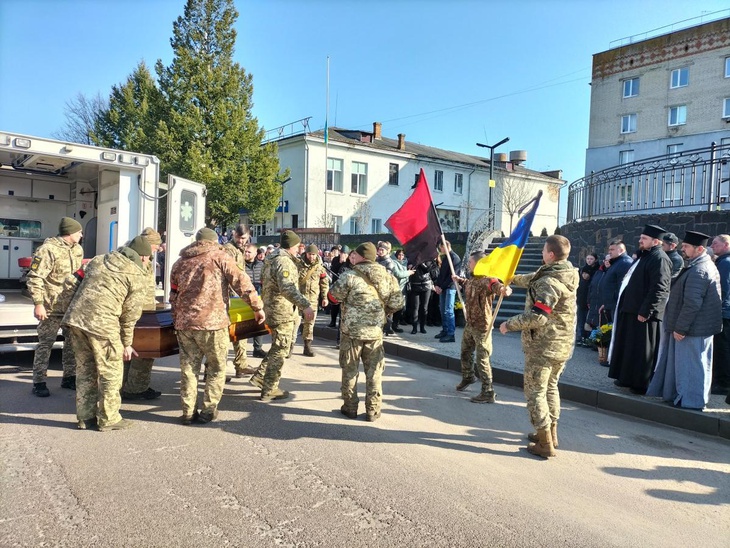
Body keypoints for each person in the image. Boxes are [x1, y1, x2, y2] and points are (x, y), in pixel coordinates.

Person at [170, 228, 264, 424]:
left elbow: (174, 294)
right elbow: (241, 282)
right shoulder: (220, 257)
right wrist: (257, 306)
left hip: (185, 325)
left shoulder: (180, 262)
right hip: (213, 324)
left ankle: (188, 412)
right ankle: (208, 410)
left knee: (189, 370)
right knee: (216, 367)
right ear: (214, 241)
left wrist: (176, 318)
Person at [499, 235, 578, 458]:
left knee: (535, 392)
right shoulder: (565, 272)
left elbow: (538, 316)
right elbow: (532, 279)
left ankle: (545, 443)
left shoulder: (549, 282)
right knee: (551, 387)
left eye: (544, 250)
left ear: (551, 254)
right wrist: (510, 278)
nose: (542, 252)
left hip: (544, 346)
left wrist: (508, 324)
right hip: (562, 345)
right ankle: (551, 433)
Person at [62, 236, 150, 431]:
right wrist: (127, 343)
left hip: (76, 320)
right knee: (111, 372)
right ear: (143, 257)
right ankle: (109, 419)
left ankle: (85, 418)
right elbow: (130, 315)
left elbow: (70, 282)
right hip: (103, 324)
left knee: (85, 371)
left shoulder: (99, 259)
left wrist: (71, 308)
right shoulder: (136, 274)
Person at [329, 242, 404, 421]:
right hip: (375, 333)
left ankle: (350, 408)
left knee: (350, 371)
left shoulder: (349, 276)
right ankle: (373, 410)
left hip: (351, 333)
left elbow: (332, 297)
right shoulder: (388, 277)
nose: (353, 257)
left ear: (362, 257)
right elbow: (398, 303)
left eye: (355, 254)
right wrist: (381, 312)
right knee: (374, 373)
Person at [647, 231, 722, 409]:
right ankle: (684, 398)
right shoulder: (700, 265)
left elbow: (692, 304)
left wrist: (680, 328)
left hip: (693, 328)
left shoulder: (700, 270)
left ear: (700, 249)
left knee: (692, 366)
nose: (683, 248)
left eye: (687, 246)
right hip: (694, 327)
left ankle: (691, 402)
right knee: (691, 365)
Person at [249, 230, 314, 401]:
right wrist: (305, 305)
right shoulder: (284, 261)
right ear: (292, 246)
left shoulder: (272, 258)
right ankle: (270, 388)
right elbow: (287, 288)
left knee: (278, 346)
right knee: (281, 349)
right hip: (281, 311)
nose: (299, 250)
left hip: (272, 307)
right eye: (298, 246)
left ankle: (260, 377)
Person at [608, 225, 672, 395]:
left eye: (644, 238)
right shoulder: (645, 256)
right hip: (631, 310)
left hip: (644, 314)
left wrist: (646, 311)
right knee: (630, 347)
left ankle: (640, 383)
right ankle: (626, 377)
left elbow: (659, 288)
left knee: (642, 350)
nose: (640, 240)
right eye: (641, 237)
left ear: (656, 241)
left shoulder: (660, 259)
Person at [27, 216, 84, 397]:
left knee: (71, 344)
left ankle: (69, 377)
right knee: (45, 344)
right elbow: (34, 277)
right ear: (70, 233)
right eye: (79, 232)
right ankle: (39, 382)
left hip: (71, 307)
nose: (81, 235)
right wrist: (38, 304)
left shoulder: (77, 249)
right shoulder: (46, 250)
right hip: (50, 308)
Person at [452, 251, 511, 403]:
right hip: (470, 323)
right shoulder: (473, 279)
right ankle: (468, 377)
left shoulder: (487, 280)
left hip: (482, 327)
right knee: (465, 352)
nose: (468, 264)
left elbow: (497, 286)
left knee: (482, 359)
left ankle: (488, 392)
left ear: (478, 264)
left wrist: (504, 290)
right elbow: (468, 284)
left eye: (470, 262)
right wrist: (459, 280)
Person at [121, 227, 164, 400]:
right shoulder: (134, 258)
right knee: (143, 353)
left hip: (144, 311)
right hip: (135, 312)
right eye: (155, 246)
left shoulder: (144, 257)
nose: (158, 249)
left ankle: (131, 385)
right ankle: (134, 388)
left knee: (135, 352)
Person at [222, 224, 254, 378]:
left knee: (241, 331)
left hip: (238, 296)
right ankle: (212, 370)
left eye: (244, 238)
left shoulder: (239, 250)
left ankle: (241, 365)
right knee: (223, 336)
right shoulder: (228, 250)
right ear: (234, 234)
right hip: (228, 297)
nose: (241, 241)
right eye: (238, 237)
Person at [291, 244, 329, 357]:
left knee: (309, 324)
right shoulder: (297, 264)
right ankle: (290, 346)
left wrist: (325, 297)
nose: (311, 257)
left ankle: (307, 347)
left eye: (313, 254)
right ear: (305, 253)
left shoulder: (320, 267)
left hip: (312, 300)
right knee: (294, 323)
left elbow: (324, 283)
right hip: (298, 299)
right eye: (309, 254)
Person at [376, 241, 413, 334]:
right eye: (379, 249)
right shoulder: (377, 260)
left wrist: (408, 272)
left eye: (382, 250)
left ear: (387, 251)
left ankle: (388, 327)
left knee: (388, 310)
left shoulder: (389, 262)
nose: (380, 251)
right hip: (376, 289)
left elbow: (387, 277)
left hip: (385, 289)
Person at [709, 234, 730, 396]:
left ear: (726, 245)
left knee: (722, 348)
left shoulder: (725, 263)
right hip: (725, 310)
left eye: (715, 243)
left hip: (723, 312)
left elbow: (722, 288)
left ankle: (723, 383)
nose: (712, 246)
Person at [433, 240, 461, 343]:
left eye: (441, 247)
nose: (440, 250)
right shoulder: (446, 258)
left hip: (450, 287)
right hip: (443, 288)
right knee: (442, 309)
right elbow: (441, 274)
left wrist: (442, 287)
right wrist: (437, 285)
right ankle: (445, 330)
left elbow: (452, 277)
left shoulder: (454, 258)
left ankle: (451, 333)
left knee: (449, 310)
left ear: (445, 246)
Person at [599, 241, 633, 323]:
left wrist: (615, 301)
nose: (609, 252)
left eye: (612, 249)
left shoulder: (625, 263)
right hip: (612, 305)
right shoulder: (616, 263)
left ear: (621, 250)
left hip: (618, 305)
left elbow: (623, 287)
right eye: (609, 250)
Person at [244, 243, 267, 359]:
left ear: (255, 253)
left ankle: (257, 349)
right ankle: (241, 352)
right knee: (242, 325)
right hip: (243, 297)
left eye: (249, 252)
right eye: (245, 251)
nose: (246, 254)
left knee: (259, 322)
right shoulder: (239, 265)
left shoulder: (262, 265)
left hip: (258, 296)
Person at [407, 259, 438, 334]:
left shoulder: (430, 260)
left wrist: (421, 263)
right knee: (415, 307)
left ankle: (422, 327)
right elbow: (409, 269)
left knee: (424, 307)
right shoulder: (412, 259)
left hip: (426, 285)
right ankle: (414, 327)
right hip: (415, 284)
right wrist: (410, 266)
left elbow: (429, 271)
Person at [575, 253, 599, 344]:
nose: (589, 260)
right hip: (581, 297)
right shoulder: (582, 269)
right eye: (588, 258)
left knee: (589, 320)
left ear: (595, 260)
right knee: (580, 319)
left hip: (591, 298)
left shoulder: (597, 270)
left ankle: (588, 338)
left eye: (591, 259)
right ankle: (580, 337)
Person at [328, 246, 349, 328]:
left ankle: (341, 323)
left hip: (344, 285)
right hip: (335, 283)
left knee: (342, 306)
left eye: (345, 253)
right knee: (334, 304)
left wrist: (344, 263)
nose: (343, 255)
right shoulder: (335, 259)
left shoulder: (348, 261)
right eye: (342, 253)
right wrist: (340, 262)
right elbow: (333, 270)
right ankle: (333, 321)